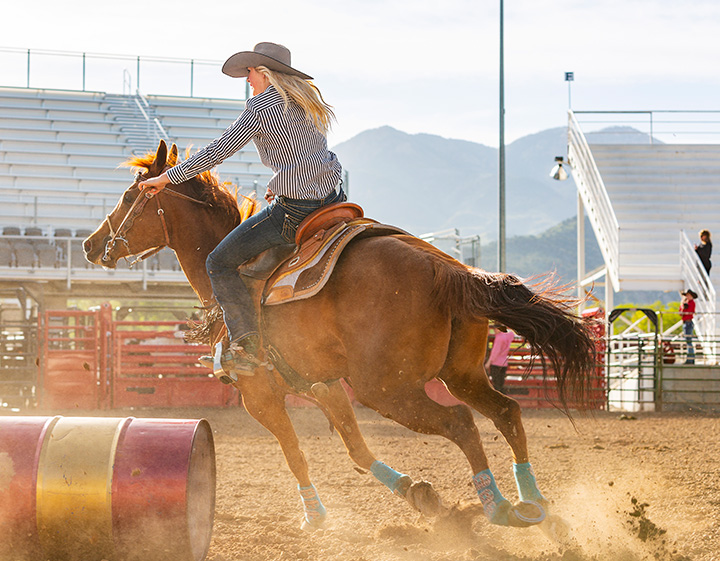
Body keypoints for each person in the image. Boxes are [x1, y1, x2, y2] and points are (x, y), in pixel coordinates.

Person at [138, 42, 346, 377]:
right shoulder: (307, 104)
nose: (247, 78)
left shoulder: (261, 106)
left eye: (250, 71)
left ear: (264, 73)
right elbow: (309, 156)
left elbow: (218, 151)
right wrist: (279, 184)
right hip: (334, 201)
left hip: (297, 210)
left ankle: (246, 347)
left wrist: (167, 178)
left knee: (218, 263)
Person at [484, 324, 516, 393]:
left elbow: (495, 352)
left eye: (495, 329)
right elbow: (512, 333)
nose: (494, 331)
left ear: (498, 329)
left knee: (496, 384)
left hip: (496, 363)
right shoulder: (507, 336)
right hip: (504, 363)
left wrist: (488, 362)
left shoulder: (499, 338)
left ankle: (498, 399)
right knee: (501, 383)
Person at [680, 289, 697, 365]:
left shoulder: (691, 303)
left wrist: (684, 308)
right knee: (688, 341)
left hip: (688, 322)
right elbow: (681, 313)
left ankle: (690, 358)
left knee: (688, 341)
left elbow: (689, 312)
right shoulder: (686, 303)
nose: (687, 296)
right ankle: (690, 358)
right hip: (686, 322)